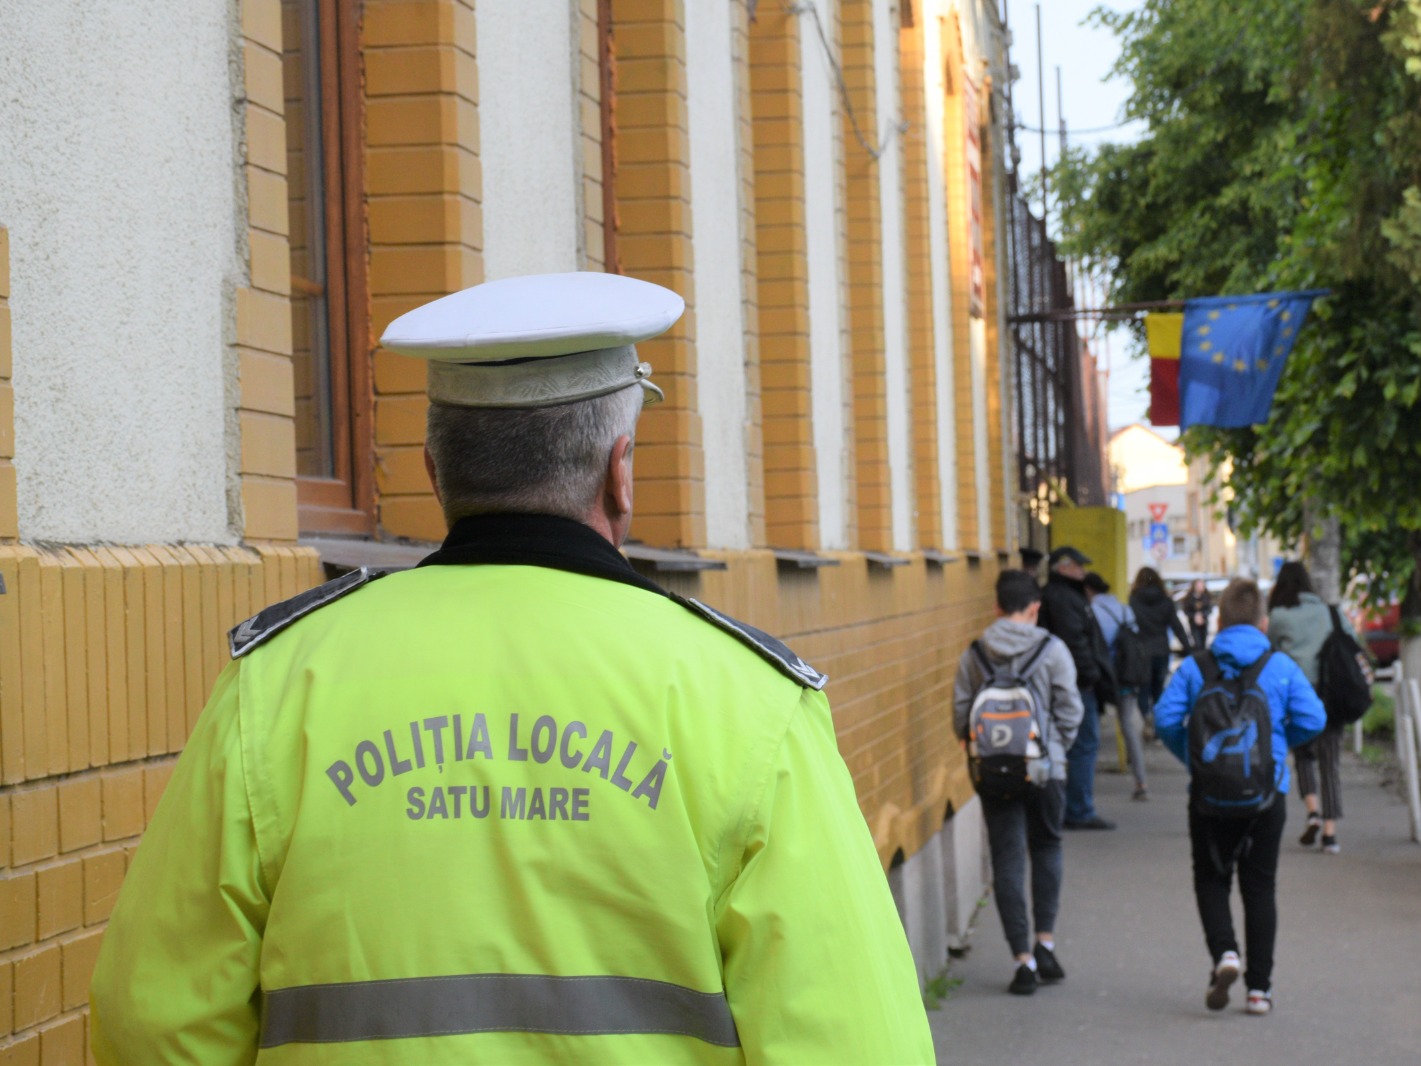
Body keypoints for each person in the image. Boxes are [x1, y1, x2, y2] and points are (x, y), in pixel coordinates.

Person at [89, 273, 935, 1064]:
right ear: (621, 471)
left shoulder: (278, 686)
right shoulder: (749, 702)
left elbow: (150, 1022)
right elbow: (857, 1041)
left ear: (435, 473)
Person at [1154, 579, 1326, 1016]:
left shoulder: (1195, 667)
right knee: (1260, 885)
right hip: (1267, 796)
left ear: (1219, 620)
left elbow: (1166, 719)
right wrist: (1278, 749)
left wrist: (1196, 762)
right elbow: (1315, 718)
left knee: (1211, 878)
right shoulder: (1280, 666)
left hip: (1208, 795)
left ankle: (1225, 954)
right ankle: (1259, 991)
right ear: (1263, 624)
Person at [953, 570, 1085, 995]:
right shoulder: (1052, 649)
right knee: (1047, 846)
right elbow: (1071, 709)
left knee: (1007, 859)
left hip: (994, 773)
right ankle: (1044, 942)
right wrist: (1053, 750)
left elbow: (960, 716)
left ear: (996, 607)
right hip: (1048, 771)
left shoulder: (974, 653)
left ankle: (1022, 962)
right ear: (1034, 607)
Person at [1268, 560, 1358, 854]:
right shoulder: (1328, 611)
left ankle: (1313, 812)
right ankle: (1330, 834)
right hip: (1331, 695)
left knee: (1304, 755)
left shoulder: (1279, 616)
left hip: (1296, 698)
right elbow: (1352, 641)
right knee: (1330, 763)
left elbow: (1270, 653)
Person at [1039, 545, 1117, 830]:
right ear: (1063, 567)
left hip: (1072, 682)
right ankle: (1079, 809)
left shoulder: (1063, 595)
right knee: (1084, 744)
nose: (1083, 571)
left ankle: (1073, 807)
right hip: (1076, 684)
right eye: (1078, 566)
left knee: (1076, 744)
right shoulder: (1064, 598)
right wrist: (1091, 675)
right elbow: (1076, 643)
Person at [1085, 571, 1149, 800]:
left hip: (1101, 679)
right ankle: (1141, 782)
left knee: (1090, 730)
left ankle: (1085, 787)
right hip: (1126, 678)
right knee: (1128, 728)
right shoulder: (1124, 609)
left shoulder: (1092, 612)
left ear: (1088, 590)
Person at [1130, 566, 1194, 737]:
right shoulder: (1165, 601)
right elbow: (1176, 626)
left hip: (1142, 652)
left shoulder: (1133, 600)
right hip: (1161, 650)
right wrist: (1189, 648)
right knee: (1158, 690)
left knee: (1143, 690)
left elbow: (1129, 628)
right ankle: (1157, 723)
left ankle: (1147, 717)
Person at [1181, 578, 1215, 650]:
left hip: (1204, 623)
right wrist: (1194, 616)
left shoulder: (1207, 597)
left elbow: (1210, 609)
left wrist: (1202, 615)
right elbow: (1186, 610)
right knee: (1197, 643)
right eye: (1199, 585)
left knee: (1203, 643)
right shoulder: (1189, 598)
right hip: (1193, 624)